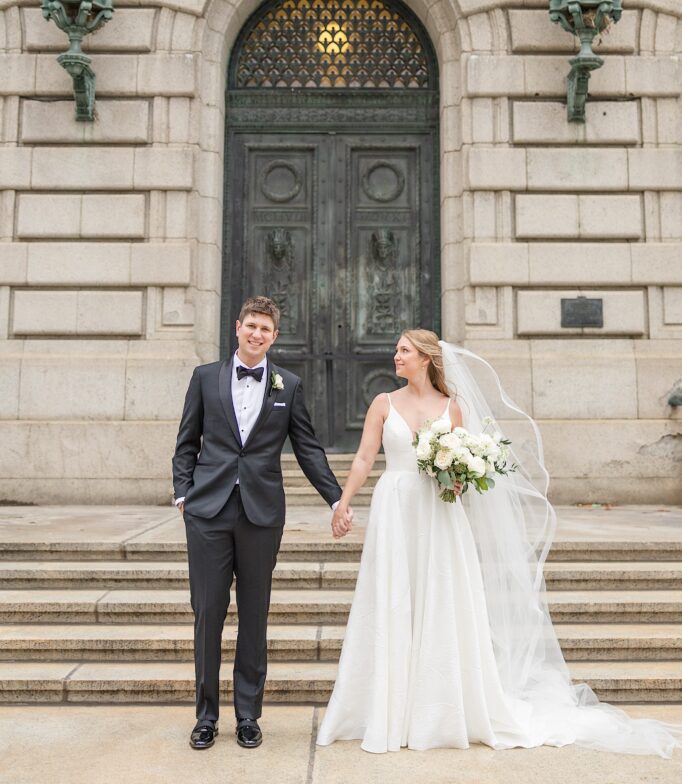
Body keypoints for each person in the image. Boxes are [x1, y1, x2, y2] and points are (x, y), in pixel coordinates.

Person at [318, 329, 682, 757]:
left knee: (440, 598)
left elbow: (464, 464)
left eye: (404, 351)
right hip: (395, 507)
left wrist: (457, 480)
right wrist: (342, 503)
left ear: (426, 359)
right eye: (396, 349)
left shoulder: (454, 407)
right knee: (394, 599)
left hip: (438, 512)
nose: (395, 356)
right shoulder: (383, 403)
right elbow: (364, 457)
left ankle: (437, 710)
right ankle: (387, 708)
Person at [172, 296, 351, 752]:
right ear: (237, 327)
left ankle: (248, 715)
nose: (257, 334)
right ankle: (206, 716)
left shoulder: (287, 385)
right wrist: (183, 492)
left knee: (254, 616)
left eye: (265, 330)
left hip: (261, 516)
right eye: (251, 326)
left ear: (274, 336)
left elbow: (308, 448)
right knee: (208, 613)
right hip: (208, 512)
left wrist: (336, 498)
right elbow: (186, 440)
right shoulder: (204, 378)